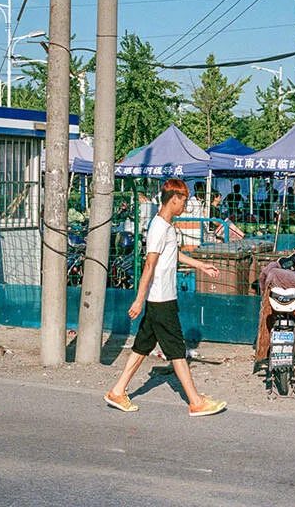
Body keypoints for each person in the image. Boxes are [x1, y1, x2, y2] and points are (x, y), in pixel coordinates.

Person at [105, 178, 227, 417]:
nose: (185, 206)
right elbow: (149, 265)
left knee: (142, 346)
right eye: (183, 200)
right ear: (174, 199)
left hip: (158, 298)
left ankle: (118, 391)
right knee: (177, 349)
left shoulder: (166, 226)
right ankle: (195, 401)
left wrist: (201, 265)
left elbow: (175, 255)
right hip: (161, 299)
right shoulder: (160, 227)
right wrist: (139, 299)